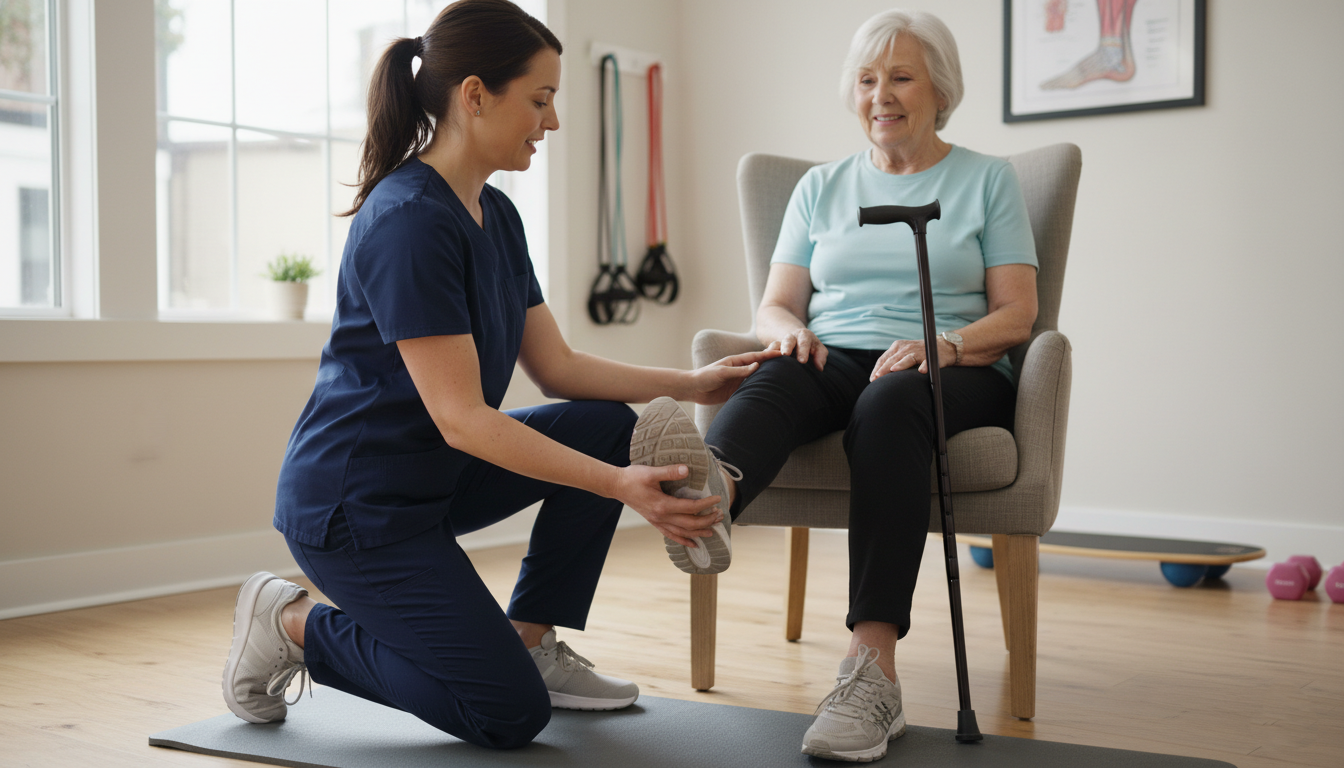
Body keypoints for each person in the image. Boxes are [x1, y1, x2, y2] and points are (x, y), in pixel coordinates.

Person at [219, 0, 775, 750]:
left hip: (434, 480)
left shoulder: (497, 216)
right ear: (475, 94)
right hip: (355, 509)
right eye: (539, 100)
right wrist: (618, 488)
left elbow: (558, 369)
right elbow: (464, 418)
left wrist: (691, 381)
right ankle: (290, 625)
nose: (550, 122)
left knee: (612, 427)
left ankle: (531, 639)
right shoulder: (409, 222)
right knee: (505, 714)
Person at [699, 9, 1040, 763]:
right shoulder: (821, 187)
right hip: (840, 351)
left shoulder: (987, 180)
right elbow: (775, 301)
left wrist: (942, 344)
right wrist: (786, 329)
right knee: (778, 377)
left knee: (888, 407)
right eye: (866, 79)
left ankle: (871, 673)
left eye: (900, 77)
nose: (879, 95)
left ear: (940, 89)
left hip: (954, 364)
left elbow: (1018, 314)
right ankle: (708, 500)